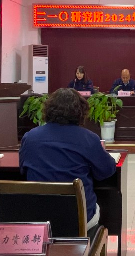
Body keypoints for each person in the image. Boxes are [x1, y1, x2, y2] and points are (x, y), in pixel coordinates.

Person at [20, 88, 116, 231]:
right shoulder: (88, 138)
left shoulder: (30, 137)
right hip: (78, 219)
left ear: (48, 109)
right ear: (80, 112)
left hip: (39, 219)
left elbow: (23, 170)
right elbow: (107, 171)